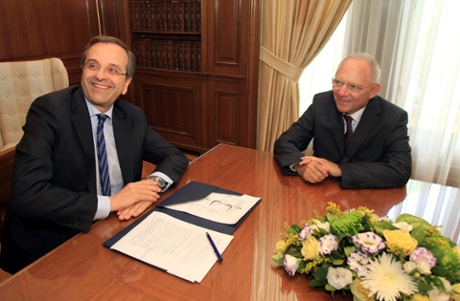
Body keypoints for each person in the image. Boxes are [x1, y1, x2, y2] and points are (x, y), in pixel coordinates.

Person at [0, 35, 189, 274]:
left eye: (112, 70)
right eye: (93, 65)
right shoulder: (49, 112)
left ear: (126, 84)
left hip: (118, 225)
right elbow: (27, 195)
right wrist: (112, 202)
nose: (100, 75)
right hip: (56, 241)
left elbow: (175, 156)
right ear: (82, 71)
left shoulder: (131, 117)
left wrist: (150, 186)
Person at [274, 53, 411, 189]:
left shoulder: (393, 117)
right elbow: (285, 142)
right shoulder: (322, 103)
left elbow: (400, 170)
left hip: (366, 200)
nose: (342, 93)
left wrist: (340, 170)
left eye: (354, 86)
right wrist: (300, 166)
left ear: (373, 91)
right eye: (338, 82)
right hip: (321, 193)